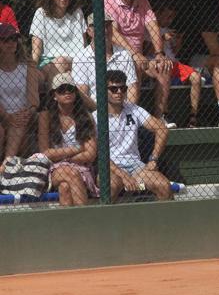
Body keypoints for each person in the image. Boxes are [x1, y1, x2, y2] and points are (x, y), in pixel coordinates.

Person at [104, 0, 174, 125]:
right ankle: (126, 119)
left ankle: (160, 117)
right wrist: (135, 54)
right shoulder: (108, 0)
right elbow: (113, 33)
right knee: (134, 64)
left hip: (140, 55)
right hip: (116, 54)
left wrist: (159, 54)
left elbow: (153, 27)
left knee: (163, 67)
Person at [94, 70, 172, 202]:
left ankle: (162, 222)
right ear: (103, 90)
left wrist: (153, 159)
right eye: (113, 89)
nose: (119, 92)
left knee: (164, 186)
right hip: (109, 168)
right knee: (112, 186)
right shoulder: (95, 117)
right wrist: (122, 175)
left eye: (123, 88)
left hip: (136, 166)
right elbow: (98, 154)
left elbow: (162, 129)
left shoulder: (134, 109)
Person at [38, 73, 97, 206]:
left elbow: (91, 154)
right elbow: (45, 153)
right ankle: (85, 219)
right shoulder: (45, 116)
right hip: (53, 168)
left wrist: (63, 157)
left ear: (76, 93)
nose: (66, 92)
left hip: (82, 167)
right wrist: (77, 149)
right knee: (72, 173)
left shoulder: (85, 116)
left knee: (64, 187)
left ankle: (70, 226)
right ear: (54, 95)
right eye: (61, 90)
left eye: (70, 89)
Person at [72, 13, 138, 111]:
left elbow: (132, 88)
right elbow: (83, 95)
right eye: (100, 26)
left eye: (108, 25)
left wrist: (127, 111)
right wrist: (102, 113)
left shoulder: (124, 54)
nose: (105, 30)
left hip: (123, 110)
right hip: (96, 111)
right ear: (89, 31)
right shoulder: (80, 58)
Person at [30, 0, 86, 85]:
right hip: (48, 61)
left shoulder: (77, 13)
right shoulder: (41, 13)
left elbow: (84, 44)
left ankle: (53, 100)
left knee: (61, 62)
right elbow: (36, 49)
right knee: (59, 64)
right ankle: (55, 99)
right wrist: (32, 69)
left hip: (76, 61)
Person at [153, 0, 202, 128]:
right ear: (158, 14)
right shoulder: (150, 28)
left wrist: (177, 42)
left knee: (196, 77)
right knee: (165, 70)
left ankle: (193, 117)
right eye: (167, 16)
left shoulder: (169, 29)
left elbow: (174, 52)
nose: (170, 20)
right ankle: (164, 113)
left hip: (173, 63)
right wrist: (162, 39)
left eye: (172, 17)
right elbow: (145, 49)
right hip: (156, 64)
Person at [0, 24, 39, 172]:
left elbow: (34, 101)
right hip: (2, 114)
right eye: (6, 40)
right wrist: (7, 117)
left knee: (19, 123)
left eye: (14, 39)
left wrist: (25, 113)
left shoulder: (28, 66)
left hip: (24, 114)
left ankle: (5, 166)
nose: (11, 43)